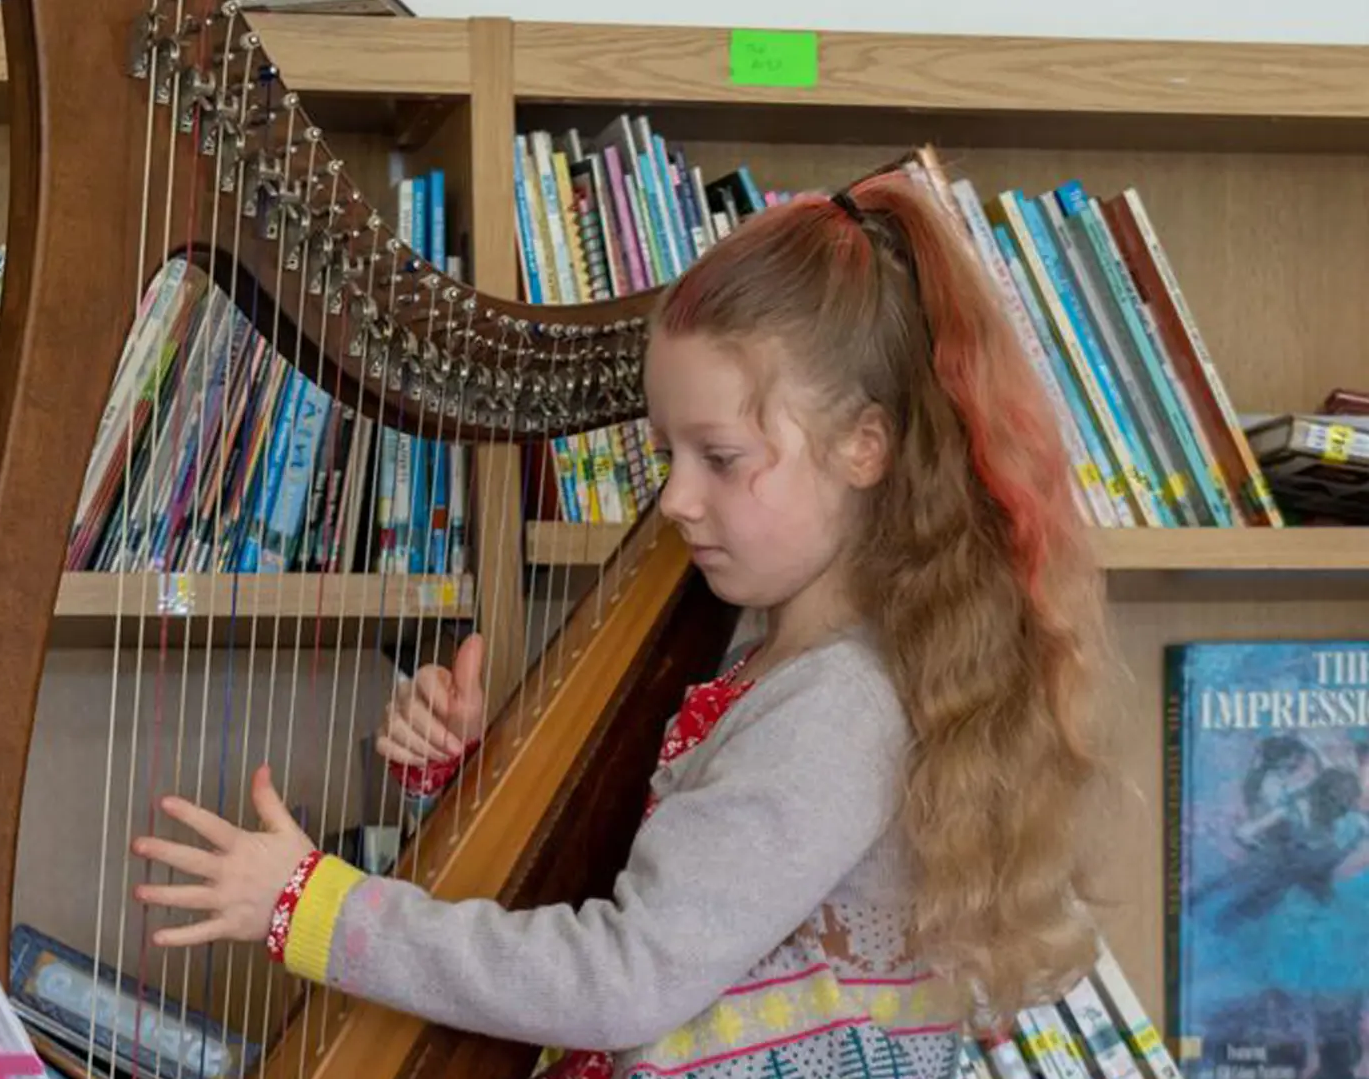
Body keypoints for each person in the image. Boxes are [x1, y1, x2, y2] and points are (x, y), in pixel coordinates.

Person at [131, 154, 1109, 1078]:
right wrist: (476, 776)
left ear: (864, 447)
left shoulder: (837, 710)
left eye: (719, 459)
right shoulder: (783, 668)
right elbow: (691, 887)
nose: (679, 501)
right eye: (666, 457)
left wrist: (316, 910)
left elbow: (623, 981)